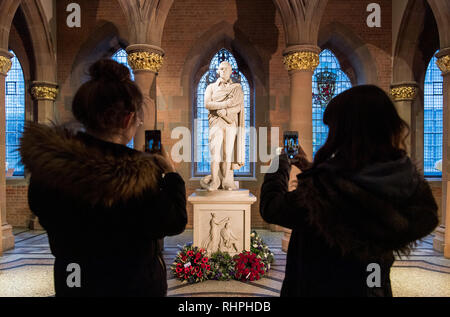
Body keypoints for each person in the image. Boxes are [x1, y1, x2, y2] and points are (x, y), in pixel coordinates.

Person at [19, 59, 187, 297]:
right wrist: (170, 174)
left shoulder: (49, 170)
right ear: (128, 119)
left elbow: (43, 208)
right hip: (132, 287)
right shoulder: (138, 178)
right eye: (138, 118)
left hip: (75, 285)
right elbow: (174, 221)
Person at [260, 85, 439, 297]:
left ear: (345, 133)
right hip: (372, 286)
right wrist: (311, 170)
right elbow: (359, 192)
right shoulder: (403, 182)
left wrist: (279, 161)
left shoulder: (324, 191)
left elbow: (272, 206)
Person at [200, 61, 245, 191]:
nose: (223, 71)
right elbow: (208, 104)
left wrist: (225, 111)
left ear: (231, 71)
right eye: (221, 69)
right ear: (217, 71)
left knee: (227, 153)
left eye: (226, 69)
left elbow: (238, 106)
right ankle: (214, 181)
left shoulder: (236, 88)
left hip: (230, 123)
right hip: (215, 122)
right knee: (215, 154)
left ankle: (226, 181)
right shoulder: (211, 88)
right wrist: (226, 104)